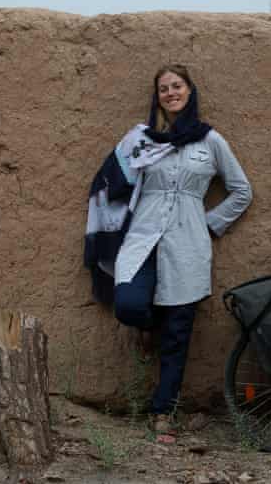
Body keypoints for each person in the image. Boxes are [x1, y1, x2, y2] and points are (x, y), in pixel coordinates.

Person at [87, 64, 252, 437]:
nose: (171, 93)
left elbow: (242, 190)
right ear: (157, 96)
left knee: (178, 334)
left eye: (177, 86)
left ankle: (163, 411)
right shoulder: (143, 139)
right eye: (164, 88)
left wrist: (210, 223)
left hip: (188, 244)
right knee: (129, 305)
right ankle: (149, 326)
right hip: (144, 238)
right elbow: (112, 179)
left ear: (190, 91)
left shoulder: (211, 141)